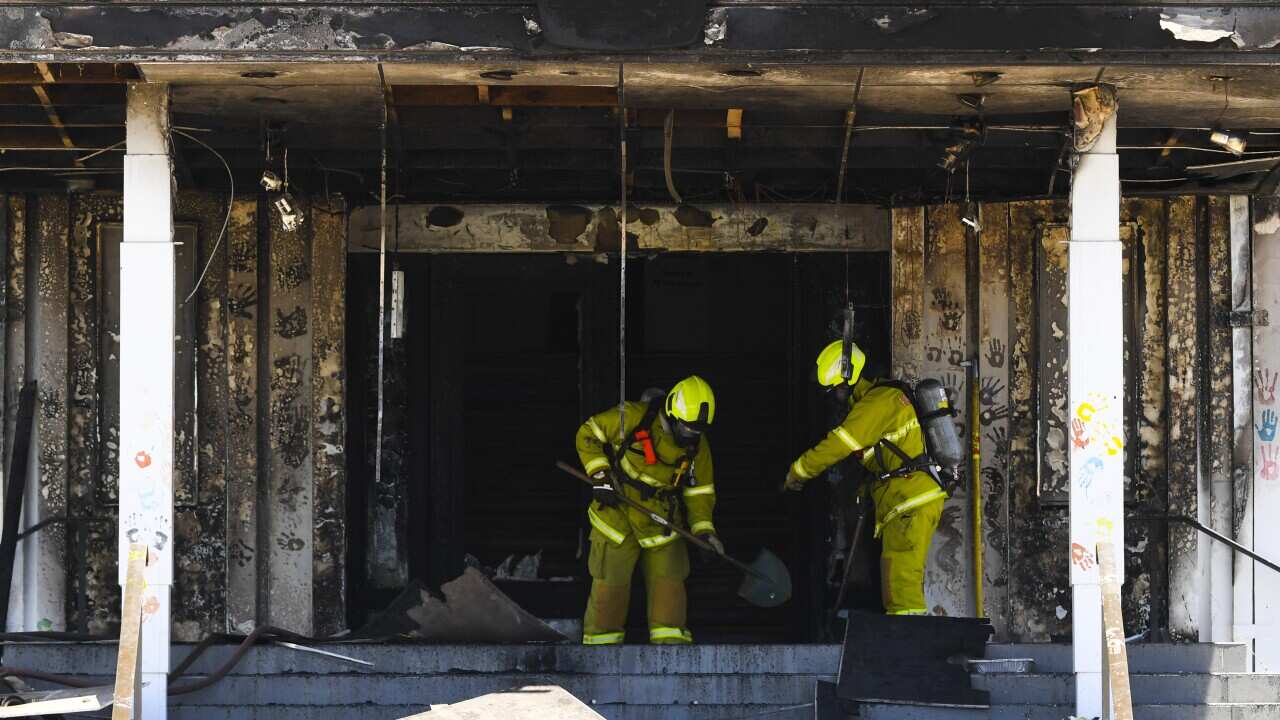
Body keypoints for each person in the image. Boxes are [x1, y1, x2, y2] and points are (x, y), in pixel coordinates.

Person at [782, 341, 947, 616]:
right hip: (906, 501)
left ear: (849, 379)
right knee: (896, 583)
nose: (838, 397)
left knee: (901, 586)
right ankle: (905, 642)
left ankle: (910, 650)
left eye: (838, 389)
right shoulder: (882, 400)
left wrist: (799, 470)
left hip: (909, 501)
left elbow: (839, 444)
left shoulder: (877, 403)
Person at [575, 376, 722, 645]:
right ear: (671, 414)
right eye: (687, 428)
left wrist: (704, 532)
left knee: (670, 604)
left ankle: (672, 663)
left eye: (697, 431)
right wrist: (600, 476)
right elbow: (588, 434)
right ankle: (600, 657)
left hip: (662, 525)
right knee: (609, 596)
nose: (691, 436)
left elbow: (700, 492)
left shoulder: (698, 445)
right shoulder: (631, 417)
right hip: (616, 518)